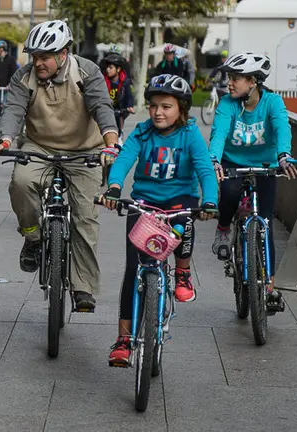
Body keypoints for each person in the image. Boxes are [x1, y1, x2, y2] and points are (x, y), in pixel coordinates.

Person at [0, 20, 120, 311]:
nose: (38, 62)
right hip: (39, 146)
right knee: (21, 182)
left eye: (44, 56)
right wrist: (5, 140)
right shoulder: (24, 76)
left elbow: (102, 107)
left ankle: (83, 288)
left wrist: (111, 142)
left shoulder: (87, 71)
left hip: (84, 150)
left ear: (63, 54)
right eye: (33, 56)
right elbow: (13, 110)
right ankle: (32, 237)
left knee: (85, 217)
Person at [98, 74, 218, 366]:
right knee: (132, 271)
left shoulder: (190, 134)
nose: (158, 112)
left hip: (179, 202)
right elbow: (125, 159)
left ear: (182, 110)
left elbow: (204, 170)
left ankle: (182, 272)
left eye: (166, 106)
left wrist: (210, 201)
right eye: (153, 106)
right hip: (144, 204)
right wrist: (114, 187)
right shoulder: (141, 132)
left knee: (185, 221)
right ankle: (124, 340)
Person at [209, 51, 297, 313]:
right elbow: (218, 134)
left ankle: (269, 286)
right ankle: (225, 229)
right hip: (232, 163)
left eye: (236, 78)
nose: (230, 83)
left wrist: (284, 155)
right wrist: (214, 160)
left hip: (266, 166)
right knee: (228, 193)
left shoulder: (273, 102)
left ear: (253, 82)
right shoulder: (228, 104)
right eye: (229, 77)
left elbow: (283, 127)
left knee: (264, 224)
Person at [101, 54, 134, 138]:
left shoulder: (125, 82)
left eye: (111, 67)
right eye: (107, 67)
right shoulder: (103, 81)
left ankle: (120, 136)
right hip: (108, 108)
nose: (108, 70)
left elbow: (129, 96)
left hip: (120, 108)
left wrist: (130, 106)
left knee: (119, 121)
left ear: (118, 69)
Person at [0, 40, 18, 123]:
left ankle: (6, 123)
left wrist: (10, 84)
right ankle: (0, 124)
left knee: (6, 105)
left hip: (7, 88)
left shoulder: (11, 60)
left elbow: (14, 73)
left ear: (2, 49)